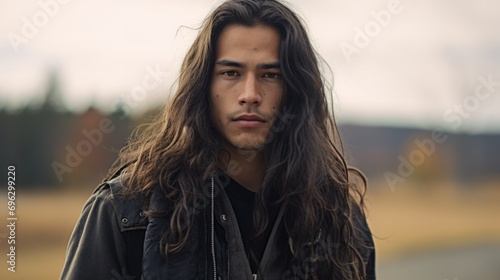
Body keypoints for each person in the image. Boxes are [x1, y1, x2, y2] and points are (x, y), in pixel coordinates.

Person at [61, 0, 376, 279]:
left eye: (270, 75)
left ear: (295, 89)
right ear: (202, 86)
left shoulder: (338, 221)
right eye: (231, 73)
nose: (250, 95)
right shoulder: (126, 214)